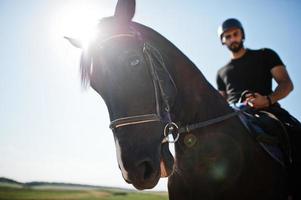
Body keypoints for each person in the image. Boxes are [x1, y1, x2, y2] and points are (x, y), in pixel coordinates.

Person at [216, 18, 300, 199]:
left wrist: (268, 100)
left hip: (267, 110)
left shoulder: (265, 55)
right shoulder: (221, 73)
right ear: (223, 41)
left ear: (242, 34)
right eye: (227, 36)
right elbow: (221, 102)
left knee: (296, 134)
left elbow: (287, 84)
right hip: (233, 114)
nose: (232, 39)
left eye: (235, 34)